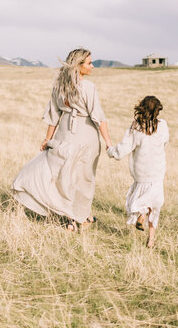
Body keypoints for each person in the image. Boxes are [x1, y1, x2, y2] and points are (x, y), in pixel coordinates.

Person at [12, 48, 113, 232]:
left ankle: (76, 218)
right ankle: (78, 218)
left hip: (63, 136)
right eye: (89, 63)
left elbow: (54, 116)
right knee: (83, 179)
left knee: (62, 177)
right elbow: (98, 117)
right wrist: (108, 142)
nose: (92, 67)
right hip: (85, 137)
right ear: (79, 65)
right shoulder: (88, 87)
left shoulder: (59, 86)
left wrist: (48, 138)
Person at [107, 96, 169, 248]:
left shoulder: (136, 127)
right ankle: (151, 239)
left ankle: (141, 214)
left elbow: (123, 149)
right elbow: (165, 143)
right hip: (157, 172)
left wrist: (110, 151)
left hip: (141, 174)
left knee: (141, 199)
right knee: (154, 205)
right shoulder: (163, 126)